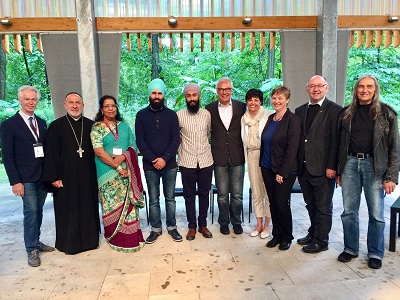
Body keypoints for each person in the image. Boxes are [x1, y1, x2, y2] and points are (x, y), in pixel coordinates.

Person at [336, 75, 399, 269]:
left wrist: (391, 177)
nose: (365, 90)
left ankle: (375, 252)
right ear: (356, 89)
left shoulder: (387, 114)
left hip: (375, 166)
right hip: (350, 165)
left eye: (369, 87)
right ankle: (350, 249)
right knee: (349, 212)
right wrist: (339, 170)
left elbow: (394, 148)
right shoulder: (346, 113)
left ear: (375, 89)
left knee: (377, 214)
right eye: (361, 87)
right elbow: (339, 144)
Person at [1, 86, 54, 267]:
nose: (31, 102)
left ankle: (36, 241)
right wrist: (15, 181)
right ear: (20, 100)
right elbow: (7, 156)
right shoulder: (9, 125)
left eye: (33, 99)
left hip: (42, 176)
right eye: (27, 99)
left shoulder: (41, 122)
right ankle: (31, 249)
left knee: (38, 211)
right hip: (25, 178)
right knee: (30, 212)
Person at [42, 92, 100, 254]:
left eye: (78, 103)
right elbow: (51, 153)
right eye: (71, 102)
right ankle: (69, 243)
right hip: (65, 178)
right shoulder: (56, 126)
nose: (75, 105)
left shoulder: (91, 126)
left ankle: (90, 241)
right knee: (68, 209)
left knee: (88, 207)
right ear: (65, 105)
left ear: (83, 106)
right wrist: (54, 177)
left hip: (88, 176)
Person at [91, 95, 145, 252]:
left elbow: (133, 147)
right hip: (106, 173)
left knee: (128, 206)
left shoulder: (124, 126)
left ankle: (130, 237)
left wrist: (123, 157)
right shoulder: (97, 128)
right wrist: (118, 167)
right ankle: (115, 238)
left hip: (126, 172)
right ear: (101, 109)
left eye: (113, 105)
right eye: (107, 106)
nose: (110, 108)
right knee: (110, 205)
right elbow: (99, 152)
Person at [295, 75, 342, 253]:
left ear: (326, 88)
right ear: (307, 89)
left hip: (324, 169)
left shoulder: (335, 110)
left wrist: (332, 166)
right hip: (304, 167)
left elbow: (336, 142)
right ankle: (313, 232)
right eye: (312, 86)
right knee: (310, 204)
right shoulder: (300, 110)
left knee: (323, 207)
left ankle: (321, 241)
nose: (316, 89)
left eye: (319, 86)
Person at [135, 78, 182, 244]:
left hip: (169, 165)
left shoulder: (171, 115)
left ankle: (172, 227)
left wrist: (165, 158)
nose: (156, 96)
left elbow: (176, 139)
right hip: (150, 165)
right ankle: (155, 229)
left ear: (163, 95)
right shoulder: (141, 115)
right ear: (149, 94)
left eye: (159, 93)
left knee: (170, 198)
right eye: (154, 93)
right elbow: (140, 141)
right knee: (154, 199)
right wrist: (154, 159)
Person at [260, 86, 300, 251]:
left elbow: (292, 148)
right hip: (267, 167)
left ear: (287, 100)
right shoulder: (271, 118)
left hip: (284, 171)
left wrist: (282, 172)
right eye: (274, 98)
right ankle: (276, 235)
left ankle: (287, 236)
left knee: (282, 204)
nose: (276, 101)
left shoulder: (293, 120)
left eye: (280, 98)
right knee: (273, 203)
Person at [205, 77, 246, 235]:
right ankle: (224, 222)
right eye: (221, 89)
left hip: (237, 155)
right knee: (222, 194)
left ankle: (236, 222)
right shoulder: (209, 109)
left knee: (237, 194)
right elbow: (206, 131)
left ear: (231, 90)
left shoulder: (241, 107)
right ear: (217, 91)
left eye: (227, 89)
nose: (224, 92)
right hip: (219, 156)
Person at [177, 83, 214, 241]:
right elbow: (175, 137)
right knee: (189, 195)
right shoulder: (179, 115)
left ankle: (203, 225)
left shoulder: (207, 114)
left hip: (206, 160)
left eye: (194, 95)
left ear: (199, 96)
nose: (192, 98)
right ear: (185, 97)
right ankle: (191, 226)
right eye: (188, 96)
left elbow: (209, 133)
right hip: (187, 161)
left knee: (205, 194)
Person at [241, 89, 273, 239]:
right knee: (256, 191)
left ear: (260, 101)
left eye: (256, 100)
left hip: (267, 154)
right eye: (250, 100)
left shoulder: (269, 115)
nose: (253, 103)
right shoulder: (244, 118)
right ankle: (258, 224)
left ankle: (267, 225)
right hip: (252, 154)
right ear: (246, 102)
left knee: (268, 191)